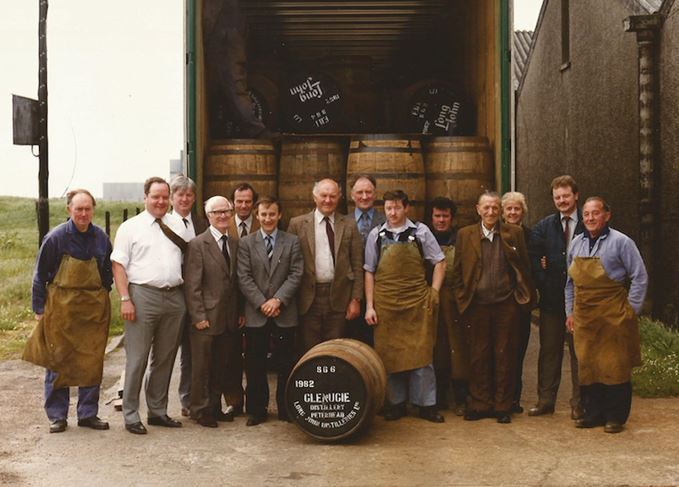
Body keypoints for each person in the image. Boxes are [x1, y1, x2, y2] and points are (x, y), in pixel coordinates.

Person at [24, 189, 112, 434]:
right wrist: (39, 309)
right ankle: (57, 415)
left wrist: (104, 293)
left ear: (93, 210)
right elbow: (39, 276)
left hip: (93, 310)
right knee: (58, 360)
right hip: (61, 309)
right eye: (78, 209)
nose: (83, 214)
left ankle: (87, 414)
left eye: (87, 209)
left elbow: (107, 271)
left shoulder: (101, 238)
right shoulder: (56, 238)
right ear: (69, 210)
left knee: (92, 360)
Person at [111, 177, 189, 435]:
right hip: (142, 296)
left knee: (165, 358)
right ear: (145, 197)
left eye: (165, 197)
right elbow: (118, 265)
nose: (160, 201)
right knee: (138, 358)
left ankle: (157, 411)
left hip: (174, 297)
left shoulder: (177, 223)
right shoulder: (130, 227)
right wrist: (125, 299)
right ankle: (132, 414)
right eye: (155, 196)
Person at [451, 191, 535, 424]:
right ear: (478, 209)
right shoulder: (465, 235)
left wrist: (520, 299)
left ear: (500, 211)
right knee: (478, 355)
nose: (490, 212)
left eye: (495, 208)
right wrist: (462, 298)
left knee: (504, 354)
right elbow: (457, 271)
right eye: (486, 208)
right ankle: (479, 403)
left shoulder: (513, 233)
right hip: (476, 305)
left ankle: (502, 405)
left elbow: (524, 268)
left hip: (506, 304)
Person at [565, 197, 648, 434]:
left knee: (615, 365)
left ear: (607, 215)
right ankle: (593, 414)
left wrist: (631, 310)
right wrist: (570, 311)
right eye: (587, 214)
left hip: (614, 314)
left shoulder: (622, 242)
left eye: (596, 213)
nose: (590, 218)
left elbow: (639, 276)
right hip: (584, 316)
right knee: (588, 365)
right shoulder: (576, 243)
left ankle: (615, 417)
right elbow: (569, 283)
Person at [365, 190, 446, 423]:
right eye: (389, 208)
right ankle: (396, 404)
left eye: (397, 208)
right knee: (389, 355)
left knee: (422, 353)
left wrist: (434, 293)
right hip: (386, 303)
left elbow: (439, 262)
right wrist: (370, 306)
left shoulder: (420, 232)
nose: (392, 212)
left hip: (417, 302)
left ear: (406, 208)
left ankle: (426, 405)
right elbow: (368, 271)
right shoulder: (376, 235)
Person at [237, 197, 304, 426]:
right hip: (257, 314)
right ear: (257, 215)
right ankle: (257, 409)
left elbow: (296, 274)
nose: (268, 218)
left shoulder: (292, 241)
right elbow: (243, 277)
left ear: (279, 215)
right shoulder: (246, 243)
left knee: (285, 362)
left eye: (272, 214)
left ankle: (286, 408)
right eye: (264, 214)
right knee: (255, 364)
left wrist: (277, 300)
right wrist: (261, 303)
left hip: (283, 312)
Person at [528, 175, 584, 419]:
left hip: (582, 302)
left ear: (576, 196)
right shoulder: (544, 226)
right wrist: (544, 279)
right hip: (552, 300)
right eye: (557, 197)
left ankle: (579, 403)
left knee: (579, 352)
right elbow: (534, 259)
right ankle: (545, 400)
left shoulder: (588, 223)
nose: (562, 201)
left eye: (566, 196)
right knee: (549, 350)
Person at [287, 178, 364, 352]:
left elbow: (358, 264)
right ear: (314, 197)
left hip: (339, 297)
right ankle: (313, 380)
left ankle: (332, 380)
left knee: (335, 349)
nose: (328, 200)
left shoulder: (349, 225)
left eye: (332, 196)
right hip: (308, 299)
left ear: (339, 198)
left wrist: (355, 299)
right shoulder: (297, 224)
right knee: (310, 350)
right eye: (323, 195)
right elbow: (289, 264)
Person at [183, 196, 240, 427]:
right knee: (202, 368)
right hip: (206, 318)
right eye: (217, 212)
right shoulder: (198, 244)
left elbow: (234, 283)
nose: (223, 215)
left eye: (226, 211)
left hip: (227, 318)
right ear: (209, 216)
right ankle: (199, 410)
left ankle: (214, 407)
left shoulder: (234, 243)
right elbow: (192, 285)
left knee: (220, 366)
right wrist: (198, 317)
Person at [169, 175, 208, 418]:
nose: (184, 199)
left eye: (189, 195)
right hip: (172, 293)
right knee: (166, 351)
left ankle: (189, 399)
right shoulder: (163, 223)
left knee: (193, 352)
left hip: (197, 295)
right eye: (180, 194)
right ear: (172, 198)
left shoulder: (202, 224)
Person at [203, 0, 269, 137]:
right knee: (234, 84)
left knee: (232, 84)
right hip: (228, 36)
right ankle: (256, 131)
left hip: (225, 36)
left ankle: (256, 131)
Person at [427, 196, 467, 415]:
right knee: (437, 348)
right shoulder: (424, 237)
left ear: (452, 218)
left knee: (458, 348)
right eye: (437, 216)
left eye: (445, 216)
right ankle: (438, 397)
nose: (441, 220)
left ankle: (460, 398)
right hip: (432, 298)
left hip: (455, 299)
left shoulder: (460, 238)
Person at [501, 191, 533, 414]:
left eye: (517, 209)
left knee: (518, 350)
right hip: (500, 301)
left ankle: (514, 398)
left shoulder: (531, 236)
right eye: (509, 209)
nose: (513, 212)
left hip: (521, 301)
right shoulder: (497, 234)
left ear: (523, 212)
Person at [348, 175, 385, 346]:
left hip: (379, 291)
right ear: (352, 195)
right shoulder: (342, 222)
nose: (364, 197)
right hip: (349, 293)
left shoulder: (386, 221)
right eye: (360, 192)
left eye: (368, 192)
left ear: (375, 194)